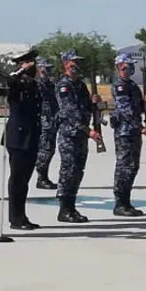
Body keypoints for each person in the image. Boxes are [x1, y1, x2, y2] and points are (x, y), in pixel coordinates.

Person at [0, 49, 43, 230]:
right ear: (22, 64)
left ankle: (22, 216)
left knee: (25, 180)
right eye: (30, 63)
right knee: (17, 179)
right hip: (18, 137)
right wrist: (19, 71)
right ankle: (15, 218)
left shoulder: (33, 84)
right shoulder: (16, 82)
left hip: (31, 135)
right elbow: (5, 84)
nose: (34, 66)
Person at [55, 49, 102, 223]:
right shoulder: (64, 85)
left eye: (79, 62)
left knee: (77, 171)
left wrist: (93, 103)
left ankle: (72, 207)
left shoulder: (80, 85)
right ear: (66, 63)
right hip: (70, 135)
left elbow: (85, 108)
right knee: (68, 171)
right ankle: (64, 209)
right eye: (74, 62)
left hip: (81, 136)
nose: (77, 65)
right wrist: (88, 131)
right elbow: (70, 113)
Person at [110, 53, 146, 216]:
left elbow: (137, 108)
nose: (130, 69)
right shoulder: (120, 86)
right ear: (119, 67)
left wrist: (145, 102)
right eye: (127, 66)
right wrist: (140, 127)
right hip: (125, 133)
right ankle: (120, 203)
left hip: (133, 133)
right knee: (124, 168)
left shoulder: (133, 86)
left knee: (133, 167)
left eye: (131, 66)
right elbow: (125, 111)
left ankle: (126, 202)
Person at [34, 57, 59, 190]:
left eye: (48, 69)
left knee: (50, 149)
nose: (47, 71)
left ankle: (43, 176)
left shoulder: (51, 84)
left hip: (52, 120)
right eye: (44, 69)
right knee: (44, 150)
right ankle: (41, 177)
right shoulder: (36, 84)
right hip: (42, 121)